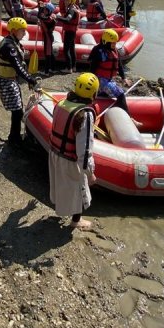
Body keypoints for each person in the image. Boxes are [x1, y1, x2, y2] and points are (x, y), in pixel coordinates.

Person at [49, 72, 100, 229]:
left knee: (61, 185)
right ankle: (76, 222)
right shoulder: (85, 115)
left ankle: (61, 209)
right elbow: (84, 149)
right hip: (70, 160)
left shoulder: (63, 103)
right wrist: (90, 172)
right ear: (93, 93)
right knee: (79, 190)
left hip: (55, 154)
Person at [0, 16, 41, 146]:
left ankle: (14, 137)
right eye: (22, 30)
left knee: (18, 109)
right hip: (5, 81)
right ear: (14, 31)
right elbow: (18, 67)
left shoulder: (12, 42)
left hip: (10, 79)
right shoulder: (9, 46)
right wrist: (30, 79)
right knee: (17, 111)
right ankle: (14, 139)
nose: (25, 33)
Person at [56, 0, 80, 73]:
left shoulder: (71, 10)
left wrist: (57, 17)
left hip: (70, 32)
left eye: (67, 0)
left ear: (71, 1)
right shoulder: (74, 7)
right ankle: (74, 67)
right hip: (72, 31)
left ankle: (68, 68)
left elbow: (67, 20)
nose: (65, 1)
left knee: (66, 50)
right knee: (72, 49)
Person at [38, 2, 56, 76]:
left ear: (49, 11)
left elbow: (40, 16)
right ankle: (52, 68)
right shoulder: (48, 16)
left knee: (47, 54)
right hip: (48, 37)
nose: (44, 10)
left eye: (45, 9)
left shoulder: (49, 18)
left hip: (48, 38)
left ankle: (46, 72)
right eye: (44, 9)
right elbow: (41, 16)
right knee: (50, 53)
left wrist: (41, 23)